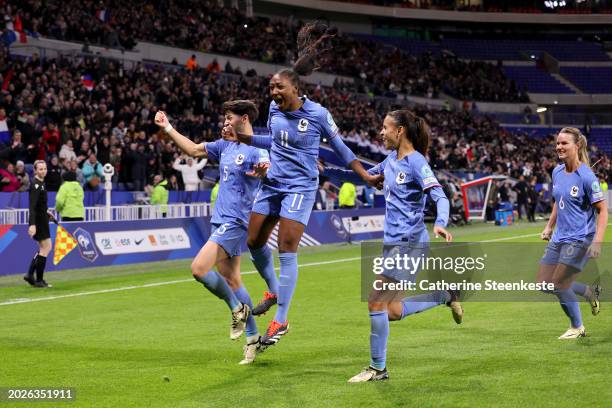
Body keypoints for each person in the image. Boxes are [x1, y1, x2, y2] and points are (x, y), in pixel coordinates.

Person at [228, 22, 382, 347]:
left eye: (278, 87)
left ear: (295, 88)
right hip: (272, 184)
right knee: (254, 241)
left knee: (286, 248)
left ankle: (280, 320)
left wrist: (364, 174)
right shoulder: (272, 109)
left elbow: (340, 149)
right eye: (271, 87)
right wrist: (245, 137)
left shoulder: (318, 114)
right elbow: (273, 141)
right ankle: (273, 290)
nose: (273, 92)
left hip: (300, 187)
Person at [323, 110, 462, 382]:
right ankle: (444, 295)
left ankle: (378, 368)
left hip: (409, 243)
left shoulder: (416, 162)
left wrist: (441, 222)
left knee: (375, 301)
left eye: (385, 128)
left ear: (400, 131)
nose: (381, 133)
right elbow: (362, 175)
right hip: (394, 245)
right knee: (392, 311)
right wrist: (322, 169)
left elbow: (439, 195)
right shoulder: (390, 160)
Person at [155, 100, 272, 364]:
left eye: (229, 118)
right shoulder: (225, 146)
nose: (225, 122)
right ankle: (253, 339)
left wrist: (265, 171)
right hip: (220, 221)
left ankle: (236, 308)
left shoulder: (255, 147)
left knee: (198, 269)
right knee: (232, 280)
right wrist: (168, 128)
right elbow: (194, 149)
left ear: (243, 119)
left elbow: (268, 168)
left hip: (235, 221)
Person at [538, 127, 607, 339]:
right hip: (560, 237)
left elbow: (602, 210)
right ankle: (588, 292)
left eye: (564, 143)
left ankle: (577, 327)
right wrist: (549, 226)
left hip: (580, 238)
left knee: (559, 283)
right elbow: (559, 203)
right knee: (543, 284)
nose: (559, 147)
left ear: (576, 146)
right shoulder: (557, 172)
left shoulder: (586, 176)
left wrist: (597, 242)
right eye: (557, 143)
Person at [24, 160, 55, 288]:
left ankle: (31, 275)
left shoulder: (41, 183)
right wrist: (32, 224)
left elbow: (40, 205)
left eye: (44, 168)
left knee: (44, 248)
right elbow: (32, 206)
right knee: (46, 247)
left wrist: (47, 213)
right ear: (35, 171)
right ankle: (38, 280)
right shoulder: (35, 185)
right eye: (40, 169)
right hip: (38, 221)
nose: (43, 171)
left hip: (42, 219)